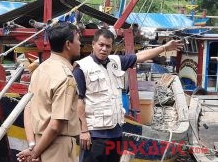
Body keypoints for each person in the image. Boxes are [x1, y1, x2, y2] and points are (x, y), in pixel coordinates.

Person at [73, 28, 183, 162]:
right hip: (95, 134)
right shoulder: (82, 68)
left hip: (116, 133)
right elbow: (78, 101)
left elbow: (140, 56)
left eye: (108, 46)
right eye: (101, 45)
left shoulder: (115, 62)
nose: (104, 49)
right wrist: (84, 131)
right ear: (93, 44)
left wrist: (165, 47)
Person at [17, 22, 81, 162]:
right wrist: (34, 153)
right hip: (57, 146)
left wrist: (33, 146)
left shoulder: (40, 70)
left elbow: (28, 108)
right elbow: (56, 125)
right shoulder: (65, 77)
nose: (80, 43)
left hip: (38, 142)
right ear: (68, 44)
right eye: (78, 39)